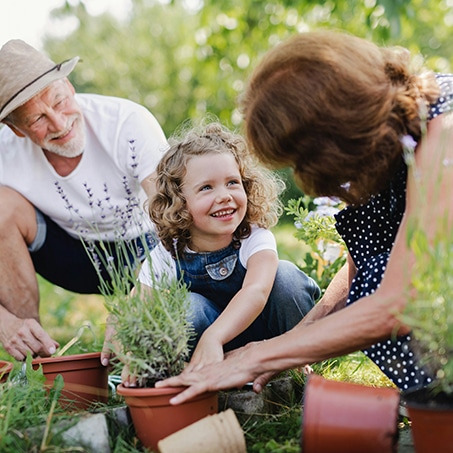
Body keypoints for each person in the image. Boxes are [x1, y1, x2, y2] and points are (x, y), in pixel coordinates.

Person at [155, 30, 453, 405]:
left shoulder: (445, 134)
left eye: (301, 159)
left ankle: (442, 403)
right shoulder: (384, 149)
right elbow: (363, 276)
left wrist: (257, 356)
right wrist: (283, 347)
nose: (304, 177)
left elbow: (401, 298)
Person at [0, 39, 168, 362]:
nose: (59, 124)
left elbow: (179, 227)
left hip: (144, 248)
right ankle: (34, 359)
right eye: (37, 119)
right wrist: (5, 323)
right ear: (15, 130)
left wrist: (140, 299)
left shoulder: (128, 123)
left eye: (59, 101)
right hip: (67, 253)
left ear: (70, 85)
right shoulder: (5, 150)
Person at [118, 121, 320, 386]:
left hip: (269, 339)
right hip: (209, 351)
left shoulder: (254, 238)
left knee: (286, 278)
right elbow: (139, 306)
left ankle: (294, 361)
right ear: (179, 202)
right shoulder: (169, 252)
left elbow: (256, 292)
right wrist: (135, 352)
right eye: (206, 188)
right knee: (186, 306)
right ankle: (203, 373)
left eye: (232, 183)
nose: (224, 196)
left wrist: (215, 335)